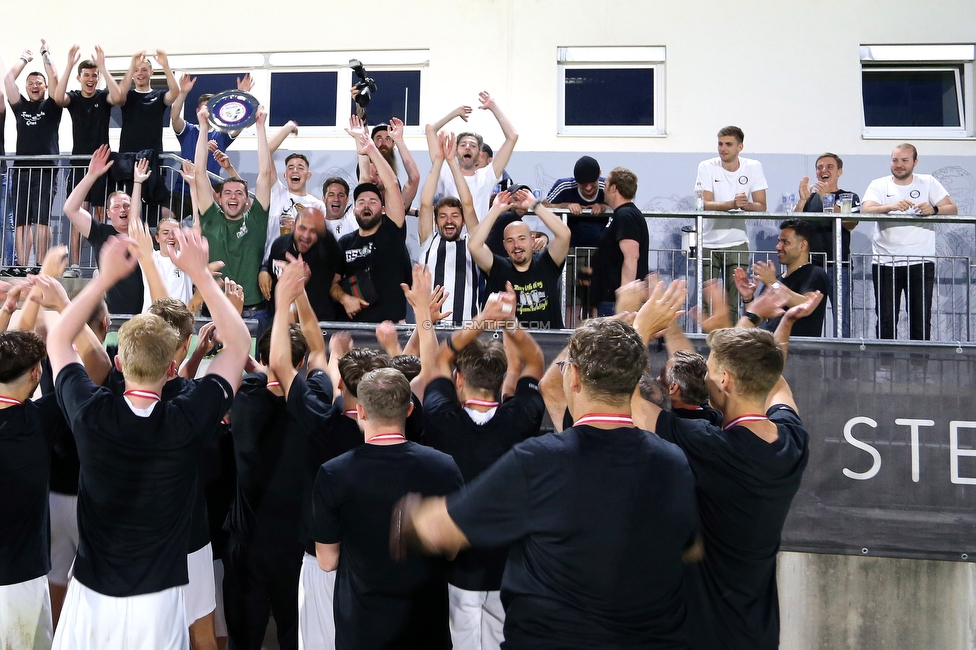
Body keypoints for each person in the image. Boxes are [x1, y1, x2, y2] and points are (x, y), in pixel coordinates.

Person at [394, 305, 700, 648]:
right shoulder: (673, 462)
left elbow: (436, 530)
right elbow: (690, 549)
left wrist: (410, 515)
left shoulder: (540, 461)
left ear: (574, 378)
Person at [48, 226, 249, 650]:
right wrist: (199, 274)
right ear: (170, 367)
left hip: (91, 593)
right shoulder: (187, 419)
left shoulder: (90, 412)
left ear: (119, 361)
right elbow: (238, 345)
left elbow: (59, 339)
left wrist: (103, 278)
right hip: (158, 601)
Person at [632, 292, 813, 648]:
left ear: (726, 380)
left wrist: (641, 327)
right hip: (757, 635)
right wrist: (764, 322)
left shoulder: (712, 446)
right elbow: (775, 380)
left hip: (703, 635)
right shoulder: (793, 440)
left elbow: (626, 402)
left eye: (711, 368)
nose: (706, 376)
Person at [416, 285, 546, 650]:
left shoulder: (442, 418)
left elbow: (440, 360)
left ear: (459, 379)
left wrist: (482, 320)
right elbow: (535, 363)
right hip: (509, 571)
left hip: (457, 572)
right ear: (501, 380)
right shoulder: (520, 418)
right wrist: (510, 323)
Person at [312, 365, 462, 649]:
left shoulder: (334, 473)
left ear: (361, 411)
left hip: (362, 629)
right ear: (408, 410)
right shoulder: (444, 467)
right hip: (425, 627)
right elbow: (452, 551)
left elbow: (327, 561)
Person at [860, 143, 958, 340]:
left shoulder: (928, 182)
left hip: (921, 262)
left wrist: (934, 209)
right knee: (886, 320)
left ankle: (919, 368)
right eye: (895, 160)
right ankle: (885, 367)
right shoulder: (879, 184)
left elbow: (952, 208)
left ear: (915, 162)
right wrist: (890, 206)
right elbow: (866, 209)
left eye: (905, 160)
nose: (899, 165)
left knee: (920, 320)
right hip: (886, 263)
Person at [194, 102, 274, 329]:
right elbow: (200, 172)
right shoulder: (211, 217)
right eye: (227, 192)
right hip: (215, 312)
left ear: (247, 200)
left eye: (239, 193)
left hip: (255, 315)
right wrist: (202, 126)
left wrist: (260, 127)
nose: (233, 196)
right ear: (219, 198)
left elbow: (265, 173)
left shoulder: (257, 219)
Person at [52, 45, 124, 276]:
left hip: (102, 164)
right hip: (80, 166)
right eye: (87, 75)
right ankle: (74, 266)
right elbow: (57, 97)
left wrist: (103, 66)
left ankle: (98, 267)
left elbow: (120, 96)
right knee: (78, 215)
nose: (91, 79)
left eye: (95, 75)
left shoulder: (104, 97)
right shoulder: (73, 98)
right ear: (80, 78)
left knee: (101, 217)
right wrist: (70, 64)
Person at [331, 129, 410, 323]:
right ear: (354, 209)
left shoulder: (392, 231)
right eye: (361, 202)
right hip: (354, 330)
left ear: (383, 208)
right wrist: (345, 298)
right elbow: (333, 285)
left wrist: (371, 149)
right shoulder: (344, 243)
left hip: (389, 329)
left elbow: (391, 183)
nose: (366, 205)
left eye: (373, 201)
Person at [468, 189, 572, 329]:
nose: (516, 245)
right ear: (504, 245)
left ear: (532, 239)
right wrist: (495, 210)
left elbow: (564, 234)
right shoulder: (499, 268)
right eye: (510, 241)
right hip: (510, 346)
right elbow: (474, 245)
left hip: (550, 345)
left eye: (522, 239)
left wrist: (535, 205)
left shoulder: (546, 263)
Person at [695, 126, 768, 320]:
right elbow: (704, 205)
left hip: (737, 242)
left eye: (728, 144)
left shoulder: (753, 166)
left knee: (734, 300)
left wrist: (745, 205)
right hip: (708, 243)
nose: (723, 148)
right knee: (707, 301)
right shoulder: (706, 166)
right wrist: (732, 204)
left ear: (740, 146)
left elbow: (761, 206)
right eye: (720, 144)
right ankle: (706, 344)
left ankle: (731, 345)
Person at [63, 146, 147, 314]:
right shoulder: (100, 232)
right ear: (108, 213)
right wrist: (91, 175)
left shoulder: (142, 236)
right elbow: (70, 209)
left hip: (142, 316)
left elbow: (135, 219)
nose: (123, 210)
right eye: (117, 207)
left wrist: (137, 182)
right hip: (111, 316)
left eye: (126, 206)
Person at [5, 43, 63, 269]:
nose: (34, 86)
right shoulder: (20, 107)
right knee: (21, 222)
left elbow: (55, 77)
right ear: (27, 88)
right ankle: (21, 265)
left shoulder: (52, 106)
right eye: (31, 83)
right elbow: (8, 81)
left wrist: (45, 54)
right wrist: (23, 59)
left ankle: (40, 263)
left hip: (45, 170)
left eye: (39, 83)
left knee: (41, 221)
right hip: (21, 171)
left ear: (45, 86)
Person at [418, 131, 482, 326]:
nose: (449, 221)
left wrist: (452, 162)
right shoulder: (429, 239)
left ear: (463, 221)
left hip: (467, 328)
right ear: (436, 222)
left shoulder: (473, 242)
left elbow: (468, 203)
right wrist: (438, 161)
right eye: (443, 216)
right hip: (430, 326)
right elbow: (426, 204)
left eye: (455, 216)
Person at [169, 73, 253, 217]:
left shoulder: (221, 134)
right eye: (205, 108)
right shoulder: (188, 130)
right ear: (197, 111)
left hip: (210, 191)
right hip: (183, 189)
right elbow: (174, 116)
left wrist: (242, 95)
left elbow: (240, 122)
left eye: (211, 108)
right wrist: (183, 92)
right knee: (170, 222)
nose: (208, 112)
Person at [426, 92, 518, 221]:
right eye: (463, 144)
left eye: (473, 146)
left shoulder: (487, 176)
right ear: (456, 151)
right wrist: (455, 113)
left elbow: (512, 136)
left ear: (479, 153)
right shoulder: (445, 169)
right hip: (448, 238)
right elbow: (430, 129)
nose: (468, 147)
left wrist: (493, 107)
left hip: (476, 238)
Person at [796, 153, 860, 337]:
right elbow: (794, 223)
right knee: (808, 314)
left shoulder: (849, 197)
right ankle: (809, 354)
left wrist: (828, 200)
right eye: (820, 167)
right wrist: (802, 200)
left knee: (842, 318)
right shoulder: (809, 198)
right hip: (812, 267)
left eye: (829, 167)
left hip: (839, 266)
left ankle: (844, 357)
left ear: (839, 171)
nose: (824, 170)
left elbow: (850, 223)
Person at [734, 219, 830, 337]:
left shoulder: (815, 273)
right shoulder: (776, 280)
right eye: (779, 241)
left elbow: (807, 306)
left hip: (802, 352)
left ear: (802, 245)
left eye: (785, 242)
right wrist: (748, 298)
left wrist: (774, 283)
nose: (778, 247)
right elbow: (756, 320)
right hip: (774, 351)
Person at [259, 206, 343, 322]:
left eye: (313, 231)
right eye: (302, 228)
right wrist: (263, 270)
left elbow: (331, 245)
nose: (306, 235)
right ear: (293, 225)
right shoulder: (279, 244)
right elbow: (271, 264)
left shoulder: (325, 251)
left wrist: (323, 229)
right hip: (282, 324)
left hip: (316, 327)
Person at [589, 167, 648, 316]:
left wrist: (625, 301)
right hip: (610, 299)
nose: (603, 189)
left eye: (606, 184)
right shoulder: (622, 214)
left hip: (616, 302)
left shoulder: (625, 215)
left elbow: (631, 257)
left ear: (613, 188)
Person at [265, 151, 327, 263]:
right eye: (291, 167)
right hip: (272, 264)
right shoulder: (277, 192)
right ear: (285, 175)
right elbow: (266, 153)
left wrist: (299, 229)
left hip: (302, 265)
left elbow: (322, 240)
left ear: (308, 175)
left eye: (300, 167)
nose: (295, 170)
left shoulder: (317, 205)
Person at [543, 155, 609, 247]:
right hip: (571, 249)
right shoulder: (564, 186)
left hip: (602, 249)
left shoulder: (607, 187)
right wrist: (565, 206)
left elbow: (621, 207)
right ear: (575, 179)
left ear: (599, 174)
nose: (588, 188)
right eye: (583, 184)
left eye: (592, 183)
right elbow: (543, 206)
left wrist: (604, 207)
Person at [359, 119, 421, 211]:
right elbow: (365, 178)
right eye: (379, 138)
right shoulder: (365, 168)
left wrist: (399, 140)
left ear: (393, 144)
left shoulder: (396, 206)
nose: (383, 143)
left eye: (388, 138)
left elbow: (414, 178)